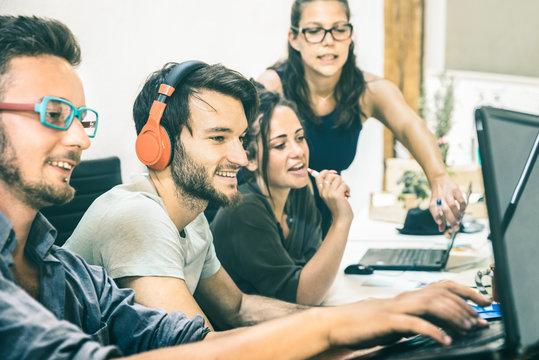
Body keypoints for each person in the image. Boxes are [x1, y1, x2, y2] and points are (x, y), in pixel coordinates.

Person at [0, 14, 493, 360]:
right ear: (156, 144)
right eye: (220, 138)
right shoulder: (137, 217)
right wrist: (336, 326)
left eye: (241, 139)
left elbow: (226, 313)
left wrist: (369, 318)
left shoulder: (62, 268)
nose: (241, 156)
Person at [257, 0, 466, 235]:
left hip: (324, 226)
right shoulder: (271, 87)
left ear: (350, 35)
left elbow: (410, 126)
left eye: (339, 29)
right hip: (270, 224)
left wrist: (439, 178)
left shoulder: (370, 91)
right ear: (294, 38)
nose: (328, 41)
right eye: (314, 31)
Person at [211, 86, 352, 305]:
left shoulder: (300, 192)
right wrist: (341, 220)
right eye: (280, 145)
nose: (298, 151)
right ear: (250, 158)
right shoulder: (243, 210)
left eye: (300, 137)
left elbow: (315, 272)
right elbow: (303, 297)